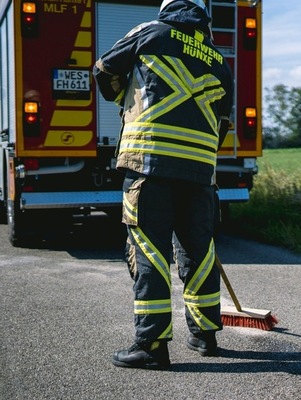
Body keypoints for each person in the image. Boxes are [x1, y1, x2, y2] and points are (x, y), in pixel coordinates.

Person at [94, 0, 233, 370]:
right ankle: (205, 336)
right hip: (200, 172)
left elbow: (103, 69)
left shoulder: (149, 33)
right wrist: (200, 159)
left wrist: (121, 95)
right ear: (203, 19)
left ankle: (151, 345)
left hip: (150, 166)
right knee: (199, 253)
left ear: (166, 10)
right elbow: (222, 122)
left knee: (149, 253)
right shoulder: (219, 61)